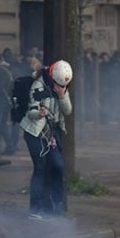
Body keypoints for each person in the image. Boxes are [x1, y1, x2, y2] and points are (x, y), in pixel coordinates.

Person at [20, 59, 73, 219]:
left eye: (64, 86)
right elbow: (31, 111)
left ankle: (57, 206)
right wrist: (39, 113)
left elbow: (68, 110)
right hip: (35, 133)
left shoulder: (62, 87)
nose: (61, 87)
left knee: (58, 165)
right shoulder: (38, 85)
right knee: (40, 168)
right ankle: (35, 209)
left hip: (52, 133)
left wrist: (62, 95)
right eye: (58, 84)